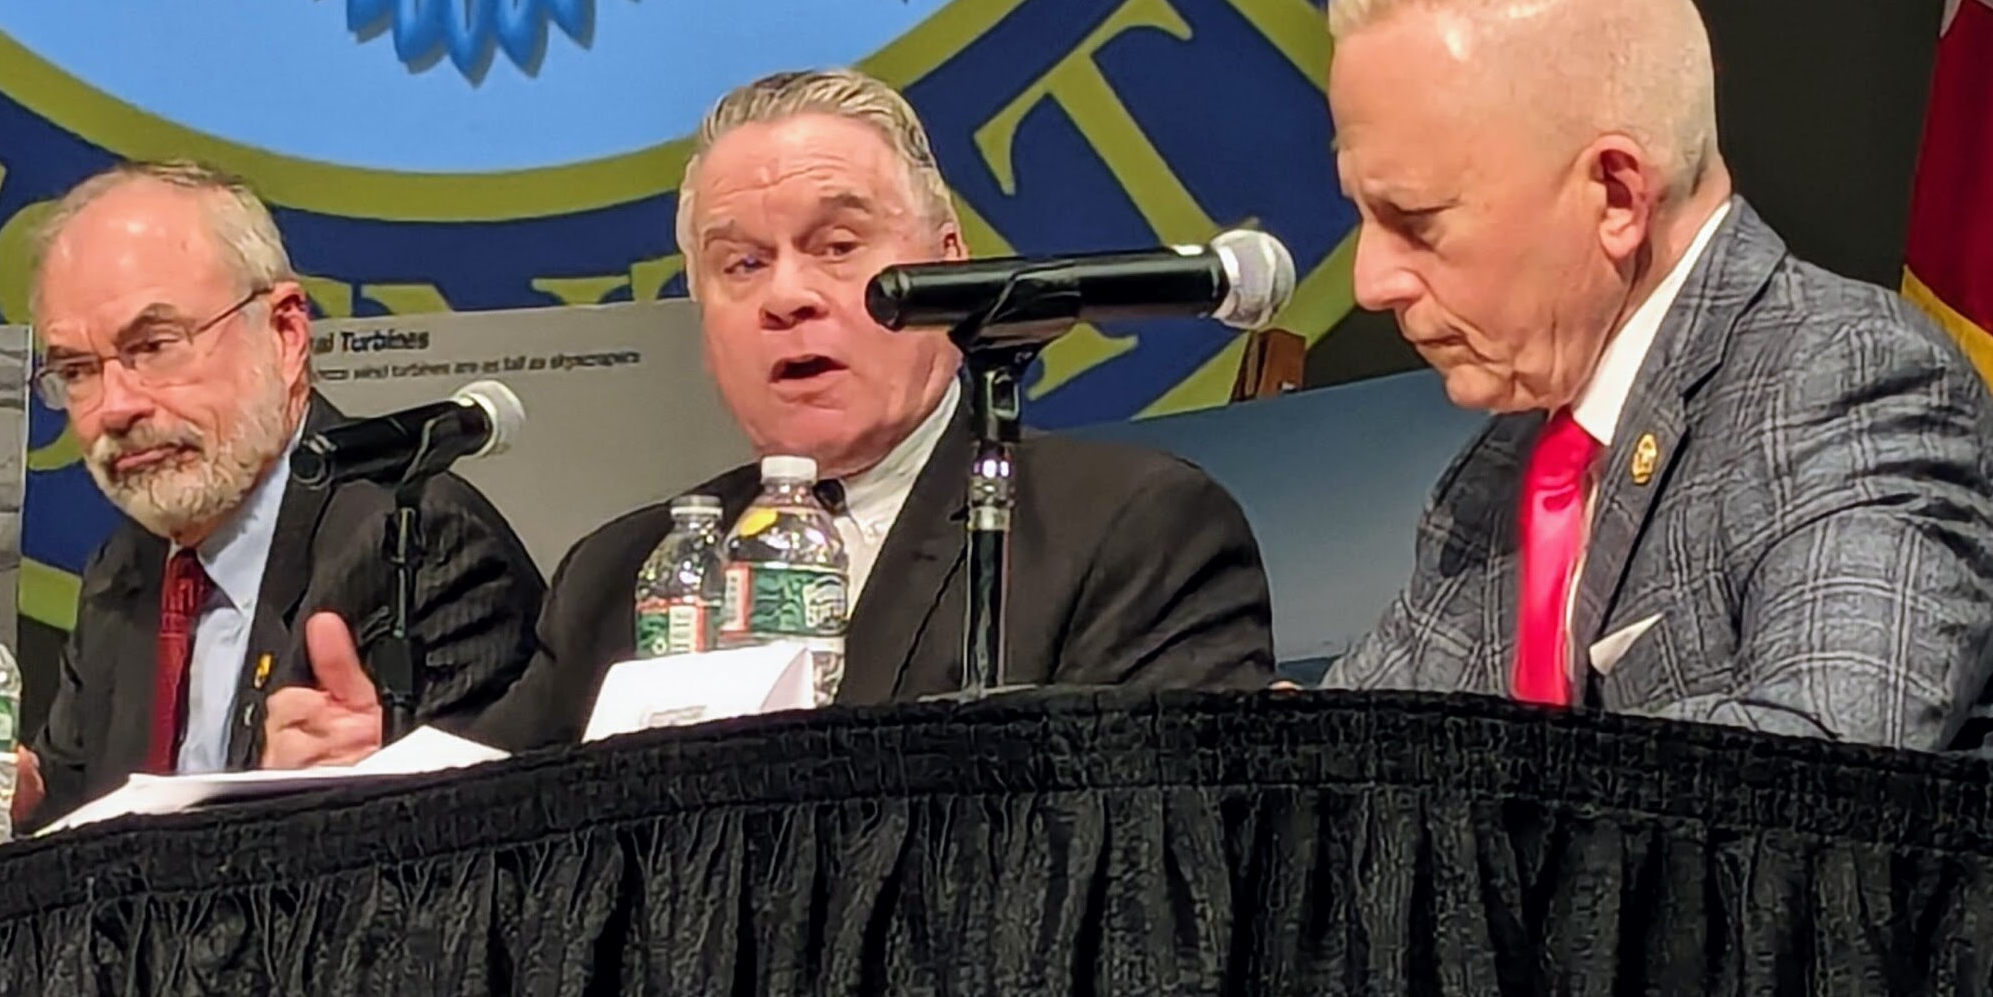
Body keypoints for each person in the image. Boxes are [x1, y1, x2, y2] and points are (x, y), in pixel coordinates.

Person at [264, 69, 1275, 764]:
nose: (786, 295)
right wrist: (383, 781)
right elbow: (508, 848)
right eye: (740, 264)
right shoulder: (618, 576)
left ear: (948, 263)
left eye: (837, 244)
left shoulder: (1130, 529)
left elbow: (1159, 871)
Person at [1322, 0, 1993, 770]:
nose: (1370, 282)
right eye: (1361, 215)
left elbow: (1817, 778)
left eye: (1415, 219)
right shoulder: (1496, 481)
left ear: (1617, 195)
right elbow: (1353, 763)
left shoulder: (1852, 387)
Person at [16, 162, 545, 829]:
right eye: (76, 370)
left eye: (153, 345)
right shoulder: (125, 572)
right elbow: (77, 822)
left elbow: (507, 865)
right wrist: (26, 803)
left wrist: (386, 784)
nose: (115, 407)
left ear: (287, 335)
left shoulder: (417, 545)